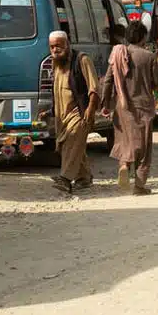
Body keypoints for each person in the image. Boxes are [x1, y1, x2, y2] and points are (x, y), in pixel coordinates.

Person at [99, 21, 158, 195]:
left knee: (125, 140)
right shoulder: (149, 57)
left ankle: (124, 164)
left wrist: (106, 104)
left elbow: (108, 80)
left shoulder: (117, 54)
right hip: (144, 106)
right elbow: (156, 82)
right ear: (143, 37)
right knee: (144, 146)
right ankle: (139, 186)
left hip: (122, 106)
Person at [43, 31, 100, 195]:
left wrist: (90, 109)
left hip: (80, 113)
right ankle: (84, 179)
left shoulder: (82, 60)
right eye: (52, 47)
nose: (55, 50)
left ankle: (65, 179)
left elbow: (94, 88)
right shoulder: (56, 64)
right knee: (74, 147)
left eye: (58, 46)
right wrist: (50, 112)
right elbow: (59, 92)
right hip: (63, 117)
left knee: (72, 141)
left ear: (67, 44)